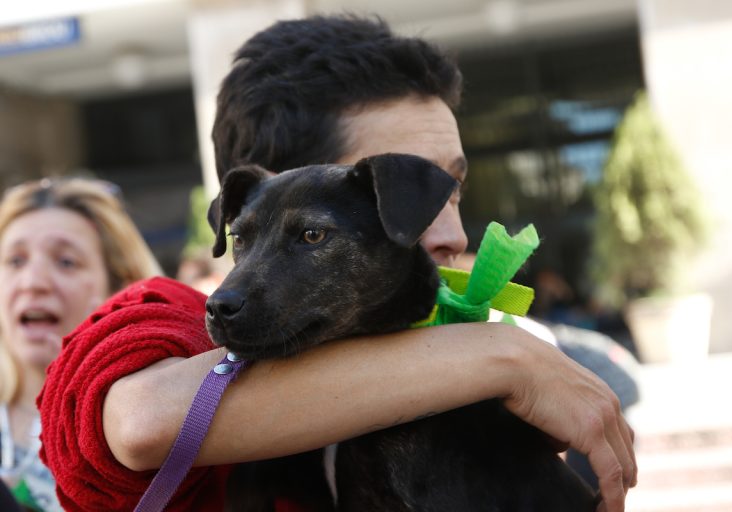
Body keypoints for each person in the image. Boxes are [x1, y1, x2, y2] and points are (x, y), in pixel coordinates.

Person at [39, 14, 637, 512]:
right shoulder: (178, 322)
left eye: (451, 190)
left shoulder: (457, 349)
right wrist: (504, 358)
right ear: (288, 186)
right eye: (408, 194)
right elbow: (142, 420)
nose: (452, 235)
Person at [0, 178, 162, 511]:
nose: (33, 282)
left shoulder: (151, 422)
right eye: (15, 261)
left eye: (66, 262)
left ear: (120, 288)